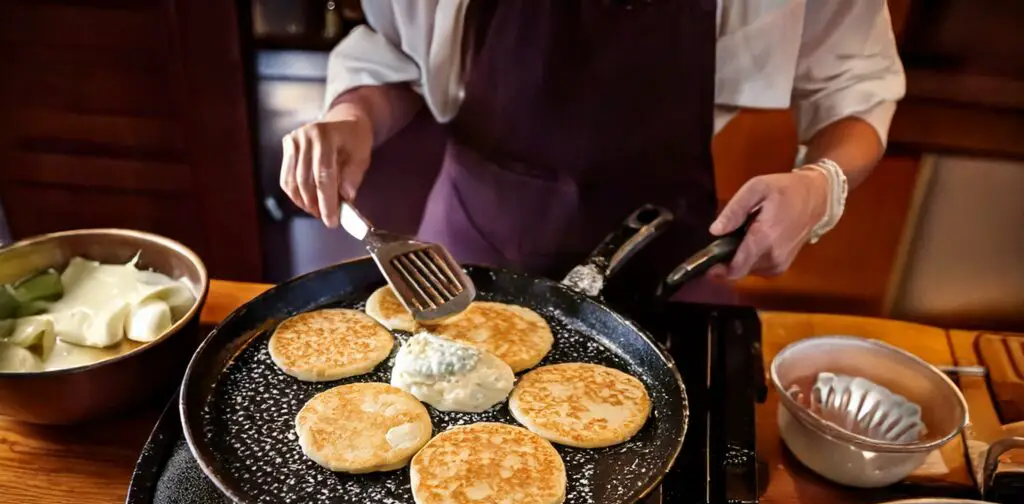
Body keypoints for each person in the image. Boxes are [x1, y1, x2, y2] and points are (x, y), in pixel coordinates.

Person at [280, 0, 905, 302]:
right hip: (474, 226)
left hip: (668, 244)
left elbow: (856, 87)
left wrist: (821, 184)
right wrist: (353, 117)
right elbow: (397, 53)